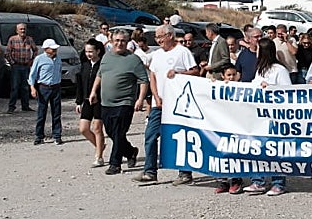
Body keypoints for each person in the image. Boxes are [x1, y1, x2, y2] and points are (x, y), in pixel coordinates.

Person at [137, 24, 198, 184]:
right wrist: (156, 96)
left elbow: (195, 71)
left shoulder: (182, 52)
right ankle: (150, 171)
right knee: (150, 136)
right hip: (159, 104)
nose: (158, 40)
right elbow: (153, 76)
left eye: (160, 37)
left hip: (177, 104)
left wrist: (179, 73)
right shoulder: (156, 55)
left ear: (170, 35)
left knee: (177, 137)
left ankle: (185, 173)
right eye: (156, 37)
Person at [91, 30, 149, 175]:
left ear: (128, 42)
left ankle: (115, 164)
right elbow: (100, 75)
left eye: (123, 41)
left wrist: (140, 99)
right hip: (106, 103)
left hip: (125, 102)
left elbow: (143, 80)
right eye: (117, 40)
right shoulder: (106, 57)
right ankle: (130, 152)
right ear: (111, 41)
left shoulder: (134, 60)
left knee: (118, 132)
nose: (119, 43)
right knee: (111, 132)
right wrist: (93, 92)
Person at [243, 38, 293, 196]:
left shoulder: (280, 70)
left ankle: (279, 182)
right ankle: (258, 181)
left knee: (276, 150)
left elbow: (288, 93)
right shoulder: (260, 70)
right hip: (259, 117)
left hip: (276, 118)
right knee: (256, 148)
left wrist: (271, 88)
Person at [212, 64, 245, 195]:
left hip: (236, 126)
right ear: (223, 76)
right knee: (220, 152)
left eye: (233, 74)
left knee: (235, 152)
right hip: (221, 126)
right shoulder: (218, 87)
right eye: (228, 75)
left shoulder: (243, 88)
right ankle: (223, 181)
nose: (231, 77)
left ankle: (236, 180)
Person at [74, 39, 107, 166]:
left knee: (97, 128)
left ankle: (99, 157)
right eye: (86, 51)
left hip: (100, 101)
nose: (88, 54)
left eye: (91, 51)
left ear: (98, 51)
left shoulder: (103, 65)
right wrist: (78, 102)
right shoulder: (85, 65)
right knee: (83, 129)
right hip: (87, 100)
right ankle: (100, 146)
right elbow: (80, 85)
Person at [28, 38, 64, 144]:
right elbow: (32, 75)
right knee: (41, 113)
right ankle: (39, 136)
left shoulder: (58, 59)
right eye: (52, 49)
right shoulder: (39, 59)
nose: (54, 51)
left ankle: (57, 135)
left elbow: (59, 71)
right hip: (43, 88)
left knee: (56, 112)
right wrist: (32, 88)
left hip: (56, 87)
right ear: (46, 49)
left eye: (55, 49)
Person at [5, 23, 37, 113]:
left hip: (26, 66)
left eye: (24, 29)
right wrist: (12, 63)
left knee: (25, 87)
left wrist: (32, 60)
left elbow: (35, 50)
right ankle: (11, 107)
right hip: (16, 66)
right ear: (17, 30)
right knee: (14, 87)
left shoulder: (29, 40)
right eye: (21, 29)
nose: (23, 31)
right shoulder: (12, 39)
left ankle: (25, 106)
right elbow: (7, 53)